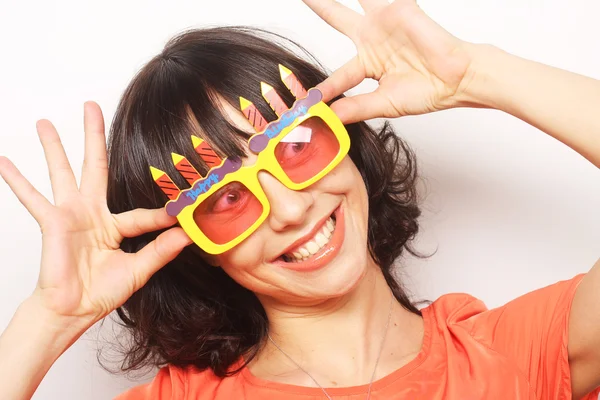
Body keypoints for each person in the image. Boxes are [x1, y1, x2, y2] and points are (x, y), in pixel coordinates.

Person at [0, 0, 599, 399]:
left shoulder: (507, 355)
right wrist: (50, 319)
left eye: (294, 147)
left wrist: (478, 75)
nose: (289, 209)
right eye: (227, 199)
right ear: (198, 246)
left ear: (346, 140)